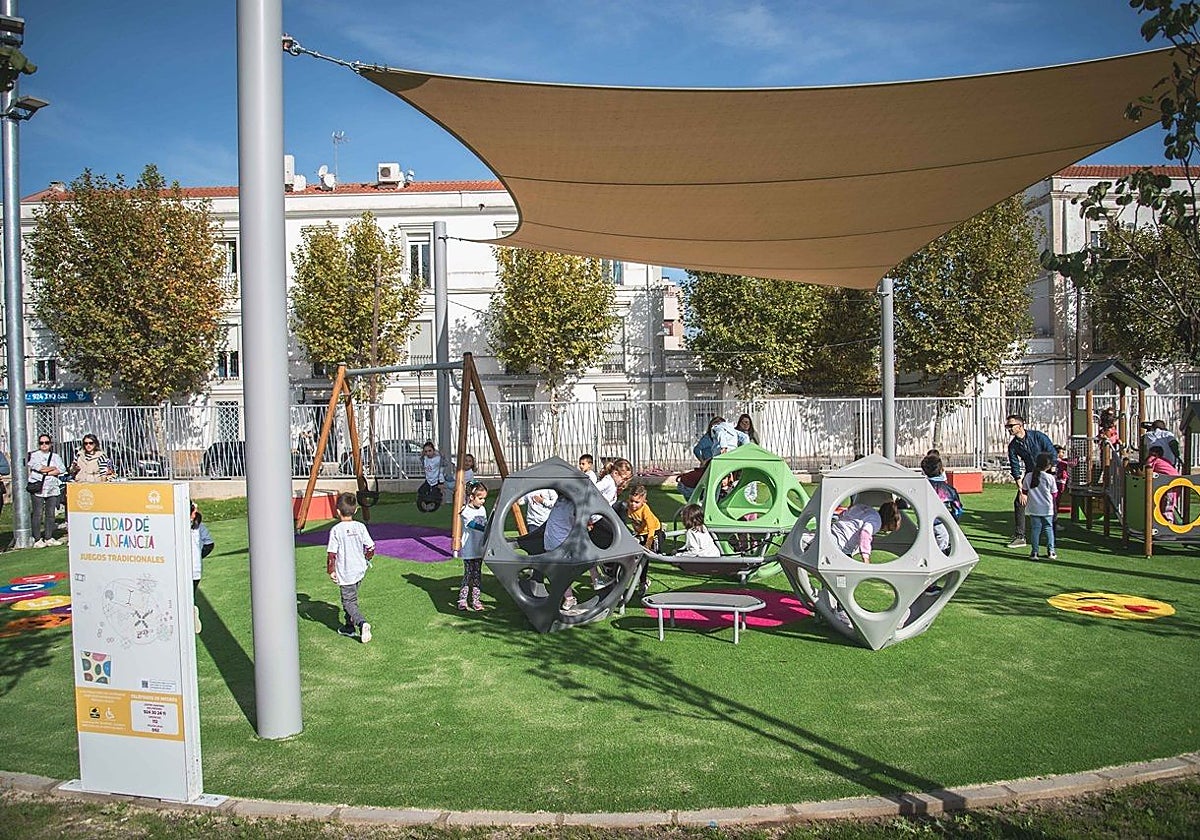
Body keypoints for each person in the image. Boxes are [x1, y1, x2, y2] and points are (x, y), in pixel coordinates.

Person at [326, 492, 376, 643]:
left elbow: (331, 554)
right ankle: (349, 626)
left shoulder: (336, 530)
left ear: (338, 511)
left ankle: (362, 623)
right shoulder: (360, 526)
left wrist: (331, 570)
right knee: (351, 599)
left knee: (348, 602)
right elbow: (371, 547)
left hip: (346, 571)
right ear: (355, 510)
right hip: (359, 570)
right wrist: (366, 558)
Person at [1005, 415, 1056, 549]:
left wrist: (1050, 471)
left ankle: (1052, 525)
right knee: (1019, 502)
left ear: (1020, 426)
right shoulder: (1013, 446)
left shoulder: (1038, 436)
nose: (1008, 429)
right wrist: (1021, 490)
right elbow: (1014, 467)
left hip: (1046, 472)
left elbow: (1052, 452)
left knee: (1050, 499)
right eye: (1007, 426)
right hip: (1030, 474)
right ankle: (1020, 536)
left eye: (1011, 426)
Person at [27, 434, 66, 548]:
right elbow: (38, 467)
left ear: (50, 444)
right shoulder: (34, 455)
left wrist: (47, 471)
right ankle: (37, 538)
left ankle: (49, 537)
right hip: (38, 487)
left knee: (50, 514)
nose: (44, 445)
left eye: (46, 442)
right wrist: (53, 468)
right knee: (38, 513)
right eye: (41, 443)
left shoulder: (55, 456)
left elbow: (62, 469)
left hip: (52, 487)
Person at [921, 454, 962, 554]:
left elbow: (905, 503)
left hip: (923, 523)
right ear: (941, 470)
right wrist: (953, 521)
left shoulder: (921, 487)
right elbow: (958, 509)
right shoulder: (948, 490)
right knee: (942, 550)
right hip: (941, 523)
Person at [1020, 453, 1057, 561]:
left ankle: (1034, 552)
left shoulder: (1029, 476)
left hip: (1034, 507)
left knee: (1035, 530)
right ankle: (1051, 551)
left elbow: (1024, 490)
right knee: (1048, 528)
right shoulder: (1050, 478)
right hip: (1047, 507)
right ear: (1048, 466)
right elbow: (1054, 494)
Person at [458, 481, 489, 611]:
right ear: (472, 497)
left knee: (477, 575)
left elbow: (486, 522)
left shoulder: (482, 509)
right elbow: (471, 524)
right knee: (468, 574)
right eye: (480, 498)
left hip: (479, 548)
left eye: (484, 499)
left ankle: (476, 600)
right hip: (469, 549)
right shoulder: (465, 511)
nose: (483, 501)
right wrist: (487, 529)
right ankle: (462, 599)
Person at [625, 483, 662, 592]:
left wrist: (648, 543)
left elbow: (651, 528)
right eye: (631, 501)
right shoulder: (627, 507)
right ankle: (643, 580)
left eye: (637, 502)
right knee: (636, 557)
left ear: (644, 501)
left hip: (654, 531)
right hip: (640, 533)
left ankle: (643, 581)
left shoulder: (645, 510)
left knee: (650, 554)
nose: (633, 504)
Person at [190, 503, 214, 633]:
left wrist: (199, 555)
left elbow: (209, 544)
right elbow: (209, 544)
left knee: (188, 594)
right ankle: (190, 611)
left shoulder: (199, 527)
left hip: (193, 569)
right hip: (193, 568)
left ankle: (190, 614)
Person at [1144, 444, 1181, 524]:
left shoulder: (1153, 459)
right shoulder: (1164, 460)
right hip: (1177, 481)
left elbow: (1147, 470)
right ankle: (1168, 520)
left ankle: (1168, 523)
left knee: (1167, 503)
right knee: (1169, 502)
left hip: (1171, 482)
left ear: (1154, 454)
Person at [417, 440, 445, 512]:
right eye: (426, 451)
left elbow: (444, 463)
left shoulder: (437, 459)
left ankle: (436, 503)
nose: (428, 453)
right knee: (421, 491)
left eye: (430, 451)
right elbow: (422, 459)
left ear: (433, 450)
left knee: (434, 496)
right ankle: (423, 504)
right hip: (428, 480)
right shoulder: (425, 458)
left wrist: (441, 482)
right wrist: (422, 454)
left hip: (436, 481)